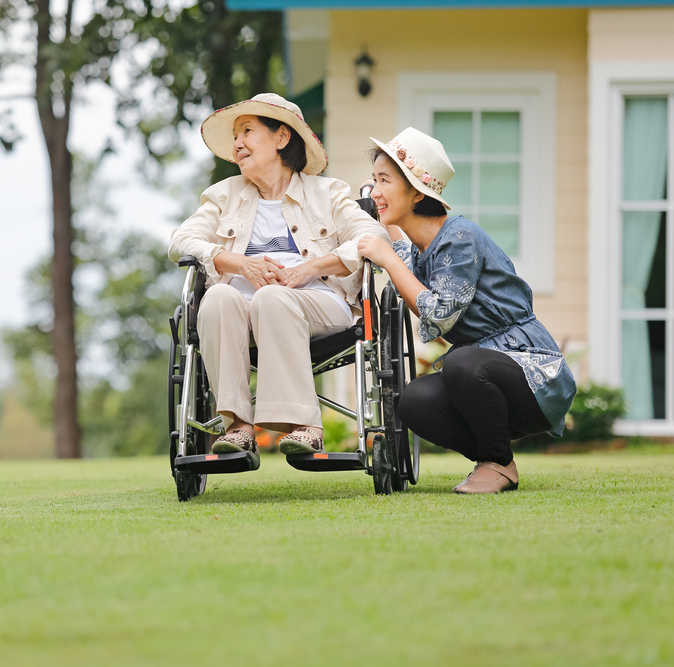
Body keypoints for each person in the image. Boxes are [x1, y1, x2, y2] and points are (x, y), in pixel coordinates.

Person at [357, 127, 576, 494]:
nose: (375, 189)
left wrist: (388, 261)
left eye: (384, 180)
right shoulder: (422, 246)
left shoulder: (459, 236)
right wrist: (385, 232)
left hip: (532, 373)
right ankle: (496, 459)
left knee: (461, 363)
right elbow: (407, 263)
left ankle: (497, 465)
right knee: (414, 401)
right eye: (373, 180)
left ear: (415, 191)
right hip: (482, 377)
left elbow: (440, 314)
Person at [169, 93, 389, 456]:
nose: (237, 143)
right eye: (236, 135)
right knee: (218, 297)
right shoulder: (224, 195)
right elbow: (181, 241)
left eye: (248, 131)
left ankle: (305, 426)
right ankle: (237, 427)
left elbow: (374, 237)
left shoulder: (327, 193)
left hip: (317, 300)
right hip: (241, 304)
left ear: (281, 137)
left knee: (273, 297)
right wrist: (239, 264)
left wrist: (309, 268)